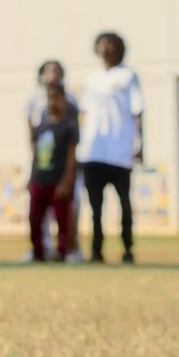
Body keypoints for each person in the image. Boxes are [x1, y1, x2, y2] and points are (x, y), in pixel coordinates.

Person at [80, 31, 145, 264]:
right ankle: (96, 251)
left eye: (110, 44)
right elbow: (84, 113)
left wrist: (140, 144)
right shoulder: (92, 79)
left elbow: (138, 111)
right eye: (102, 45)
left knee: (124, 203)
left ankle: (128, 249)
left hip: (120, 151)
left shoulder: (128, 76)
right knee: (96, 207)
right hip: (94, 151)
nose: (106, 49)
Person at [27, 63, 80, 261]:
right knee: (35, 218)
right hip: (40, 178)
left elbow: (71, 156)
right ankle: (38, 252)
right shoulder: (41, 124)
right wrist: (31, 178)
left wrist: (67, 181)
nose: (52, 101)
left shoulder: (68, 126)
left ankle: (64, 252)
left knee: (62, 220)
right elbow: (36, 152)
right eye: (49, 97)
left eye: (56, 97)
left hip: (58, 181)